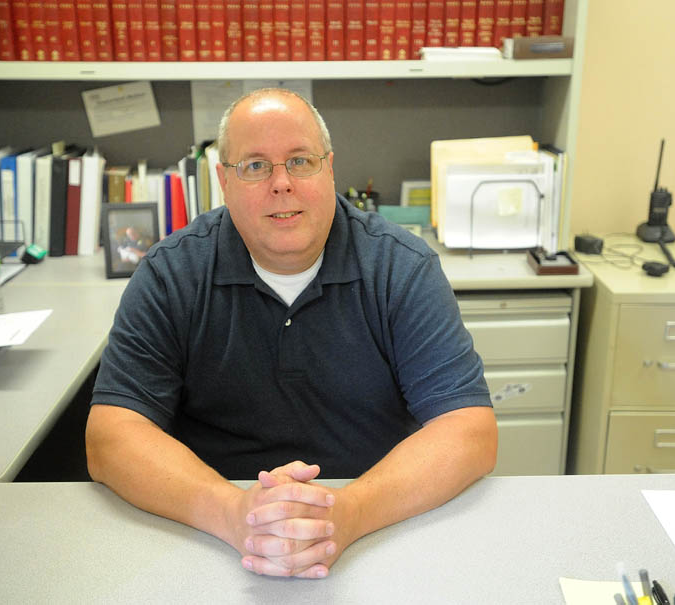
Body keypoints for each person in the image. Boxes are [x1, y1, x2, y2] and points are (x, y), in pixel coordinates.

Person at [85, 88, 498, 579]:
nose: (281, 183)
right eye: (255, 166)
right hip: (208, 537)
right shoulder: (171, 274)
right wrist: (236, 514)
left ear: (329, 168)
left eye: (300, 161)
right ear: (223, 180)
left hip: (379, 526)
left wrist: (347, 513)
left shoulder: (400, 268)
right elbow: (110, 437)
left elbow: (469, 430)